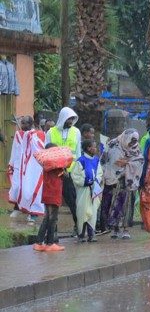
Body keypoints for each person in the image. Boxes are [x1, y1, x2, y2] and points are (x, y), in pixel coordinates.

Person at [101, 129, 143, 239]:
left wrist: (128, 163)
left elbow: (140, 161)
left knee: (127, 204)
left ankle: (125, 229)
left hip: (129, 180)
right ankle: (115, 228)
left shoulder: (136, 148)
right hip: (113, 179)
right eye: (131, 141)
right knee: (115, 204)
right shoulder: (112, 144)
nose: (132, 144)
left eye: (134, 141)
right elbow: (104, 160)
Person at [47, 107, 82, 235]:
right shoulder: (51, 132)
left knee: (73, 201)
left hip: (70, 173)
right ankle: (52, 232)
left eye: (72, 119)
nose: (71, 121)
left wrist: (75, 171)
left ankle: (78, 227)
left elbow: (77, 153)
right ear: (63, 118)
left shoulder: (76, 132)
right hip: (54, 173)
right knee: (53, 203)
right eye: (68, 119)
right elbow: (46, 153)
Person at [8, 116, 45, 221]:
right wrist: (12, 163)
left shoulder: (38, 135)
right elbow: (15, 149)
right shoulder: (18, 134)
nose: (23, 125)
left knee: (31, 189)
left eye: (25, 123)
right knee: (17, 187)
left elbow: (41, 149)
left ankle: (33, 213)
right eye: (22, 123)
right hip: (20, 166)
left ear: (31, 124)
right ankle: (17, 208)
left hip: (33, 168)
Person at [33, 143, 67, 252]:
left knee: (47, 218)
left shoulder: (46, 163)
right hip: (54, 193)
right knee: (53, 219)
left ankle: (39, 243)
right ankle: (50, 243)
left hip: (47, 193)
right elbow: (65, 175)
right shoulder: (56, 165)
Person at [71, 140, 103, 242]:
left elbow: (99, 173)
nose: (96, 149)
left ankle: (91, 233)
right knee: (83, 210)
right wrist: (86, 181)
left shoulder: (96, 160)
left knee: (92, 211)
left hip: (93, 189)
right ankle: (81, 234)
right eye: (94, 147)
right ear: (88, 148)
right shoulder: (81, 160)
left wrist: (96, 181)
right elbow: (75, 176)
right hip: (84, 190)